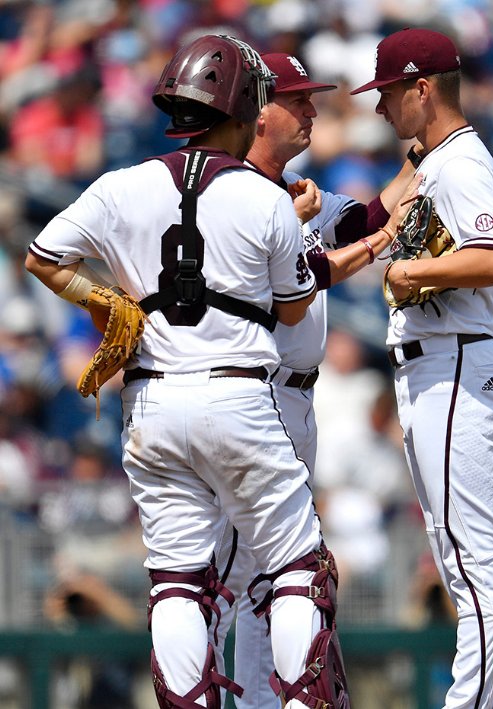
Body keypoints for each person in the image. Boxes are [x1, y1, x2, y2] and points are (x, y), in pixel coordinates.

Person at [25, 34, 349, 709]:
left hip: (151, 405)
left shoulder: (121, 185)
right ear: (242, 108)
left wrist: (107, 299)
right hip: (238, 395)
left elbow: (43, 255)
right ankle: (297, 702)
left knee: (176, 579)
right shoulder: (265, 199)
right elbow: (293, 315)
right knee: (296, 564)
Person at [211, 52, 420, 708]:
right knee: (236, 574)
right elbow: (297, 279)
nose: (310, 110)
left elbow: (361, 218)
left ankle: (261, 701)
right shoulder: (228, 192)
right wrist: (371, 238)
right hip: (247, 393)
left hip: (295, 401)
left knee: (266, 579)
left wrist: (427, 153)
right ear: (258, 113)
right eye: (296, 99)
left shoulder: (293, 190)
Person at [350, 27, 493, 708]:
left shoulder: (461, 162)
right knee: (467, 562)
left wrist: (416, 267)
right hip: (438, 366)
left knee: (469, 563)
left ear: (421, 89)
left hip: (455, 366)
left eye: (388, 93)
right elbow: (370, 234)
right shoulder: (434, 160)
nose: (379, 108)